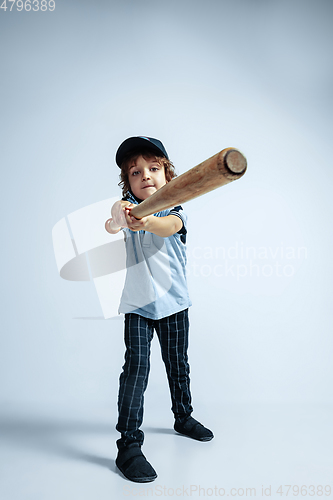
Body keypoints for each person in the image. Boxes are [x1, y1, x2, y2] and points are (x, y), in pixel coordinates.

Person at [105, 136, 213, 483]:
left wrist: (146, 221)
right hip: (137, 306)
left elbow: (169, 227)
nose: (145, 175)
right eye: (135, 172)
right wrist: (123, 218)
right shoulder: (126, 207)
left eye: (154, 168)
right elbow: (112, 221)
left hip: (174, 306)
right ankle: (128, 445)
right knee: (136, 369)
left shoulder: (175, 211)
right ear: (128, 182)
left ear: (168, 175)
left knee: (177, 363)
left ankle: (183, 416)